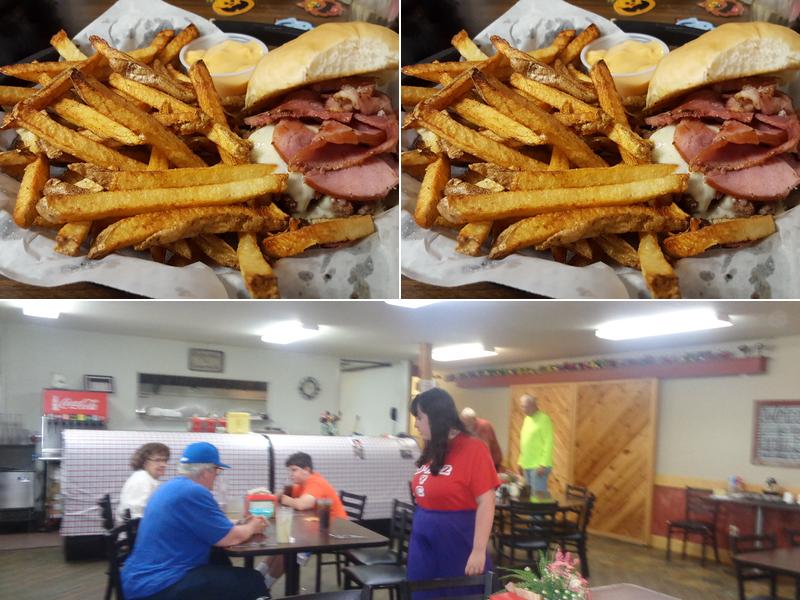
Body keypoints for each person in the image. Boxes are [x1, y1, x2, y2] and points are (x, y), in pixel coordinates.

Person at [121, 442, 269, 600]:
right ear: (207, 471)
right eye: (217, 471)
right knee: (252, 580)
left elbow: (204, 524)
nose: (216, 476)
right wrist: (253, 526)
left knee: (220, 561)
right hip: (158, 585)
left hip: (140, 577)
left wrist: (237, 524)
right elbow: (231, 538)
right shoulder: (194, 492)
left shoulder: (172, 486)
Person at [408, 388, 499, 597]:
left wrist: (478, 550)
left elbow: (487, 501)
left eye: (420, 418)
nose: (416, 424)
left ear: (436, 417)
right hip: (424, 545)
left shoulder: (473, 449)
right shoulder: (434, 447)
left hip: (457, 542)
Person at [259, 452, 347, 588]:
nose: (291, 474)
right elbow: (285, 493)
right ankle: (256, 578)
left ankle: (263, 588)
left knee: (287, 551)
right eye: (289, 470)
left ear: (306, 470)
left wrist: (282, 498)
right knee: (281, 544)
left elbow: (302, 504)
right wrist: (272, 495)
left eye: (294, 470)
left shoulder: (316, 482)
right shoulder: (302, 483)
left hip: (334, 532)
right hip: (317, 527)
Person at [118, 442, 170, 522]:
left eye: (165, 460)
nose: (164, 465)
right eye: (158, 460)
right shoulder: (141, 480)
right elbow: (136, 517)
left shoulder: (148, 479)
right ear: (145, 462)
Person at [517, 394, 554, 494]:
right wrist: (520, 462)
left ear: (533, 405)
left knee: (538, 499)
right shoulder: (526, 419)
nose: (523, 409)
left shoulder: (544, 419)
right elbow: (525, 443)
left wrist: (543, 464)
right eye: (522, 406)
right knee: (529, 498)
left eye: (525, 406)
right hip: (527, 464)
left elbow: (548, 442)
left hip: (538, 466)